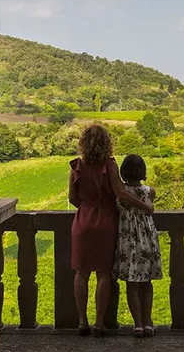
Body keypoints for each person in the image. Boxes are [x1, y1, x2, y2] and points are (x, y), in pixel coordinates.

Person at [69, 124, 154, 336]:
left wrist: (87, 206)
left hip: (83, 221)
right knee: (103, 274)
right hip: (106, 221)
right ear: (106, 142)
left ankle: (81, 321)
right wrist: (145, 206)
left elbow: (72, 198)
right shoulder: (109, 165)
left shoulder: (76, 166)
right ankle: (99, 322)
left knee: (81, 272)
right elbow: (121, 194)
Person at [114, 153, 162, 337]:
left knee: (132, 284)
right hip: (147, 239)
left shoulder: (120, 194)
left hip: (127, 241)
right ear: (143, 171)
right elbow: (148, 208)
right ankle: (148, 322)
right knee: (146, 283)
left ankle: (138, 324)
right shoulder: (149, 192)